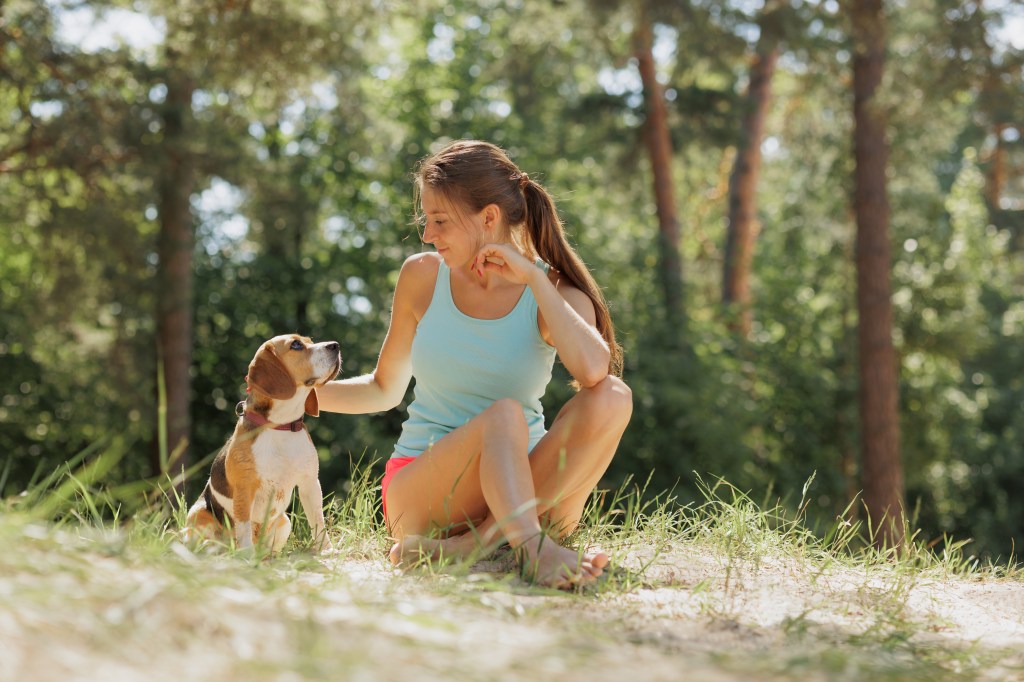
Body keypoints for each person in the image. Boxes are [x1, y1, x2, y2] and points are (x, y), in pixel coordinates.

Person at [315, 140, 632, 588]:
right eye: (427, 219)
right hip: (426, 495)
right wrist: (292, 396)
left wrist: (534, 279)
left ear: (489, 217)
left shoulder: (553, 293)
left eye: (440, 220)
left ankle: (480, 544)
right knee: (502, 415)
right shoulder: (422, 276)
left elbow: (594, 372)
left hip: (526, 491)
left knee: (614, 397)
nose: (427, 234)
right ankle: (529, 547)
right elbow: (383, 389)